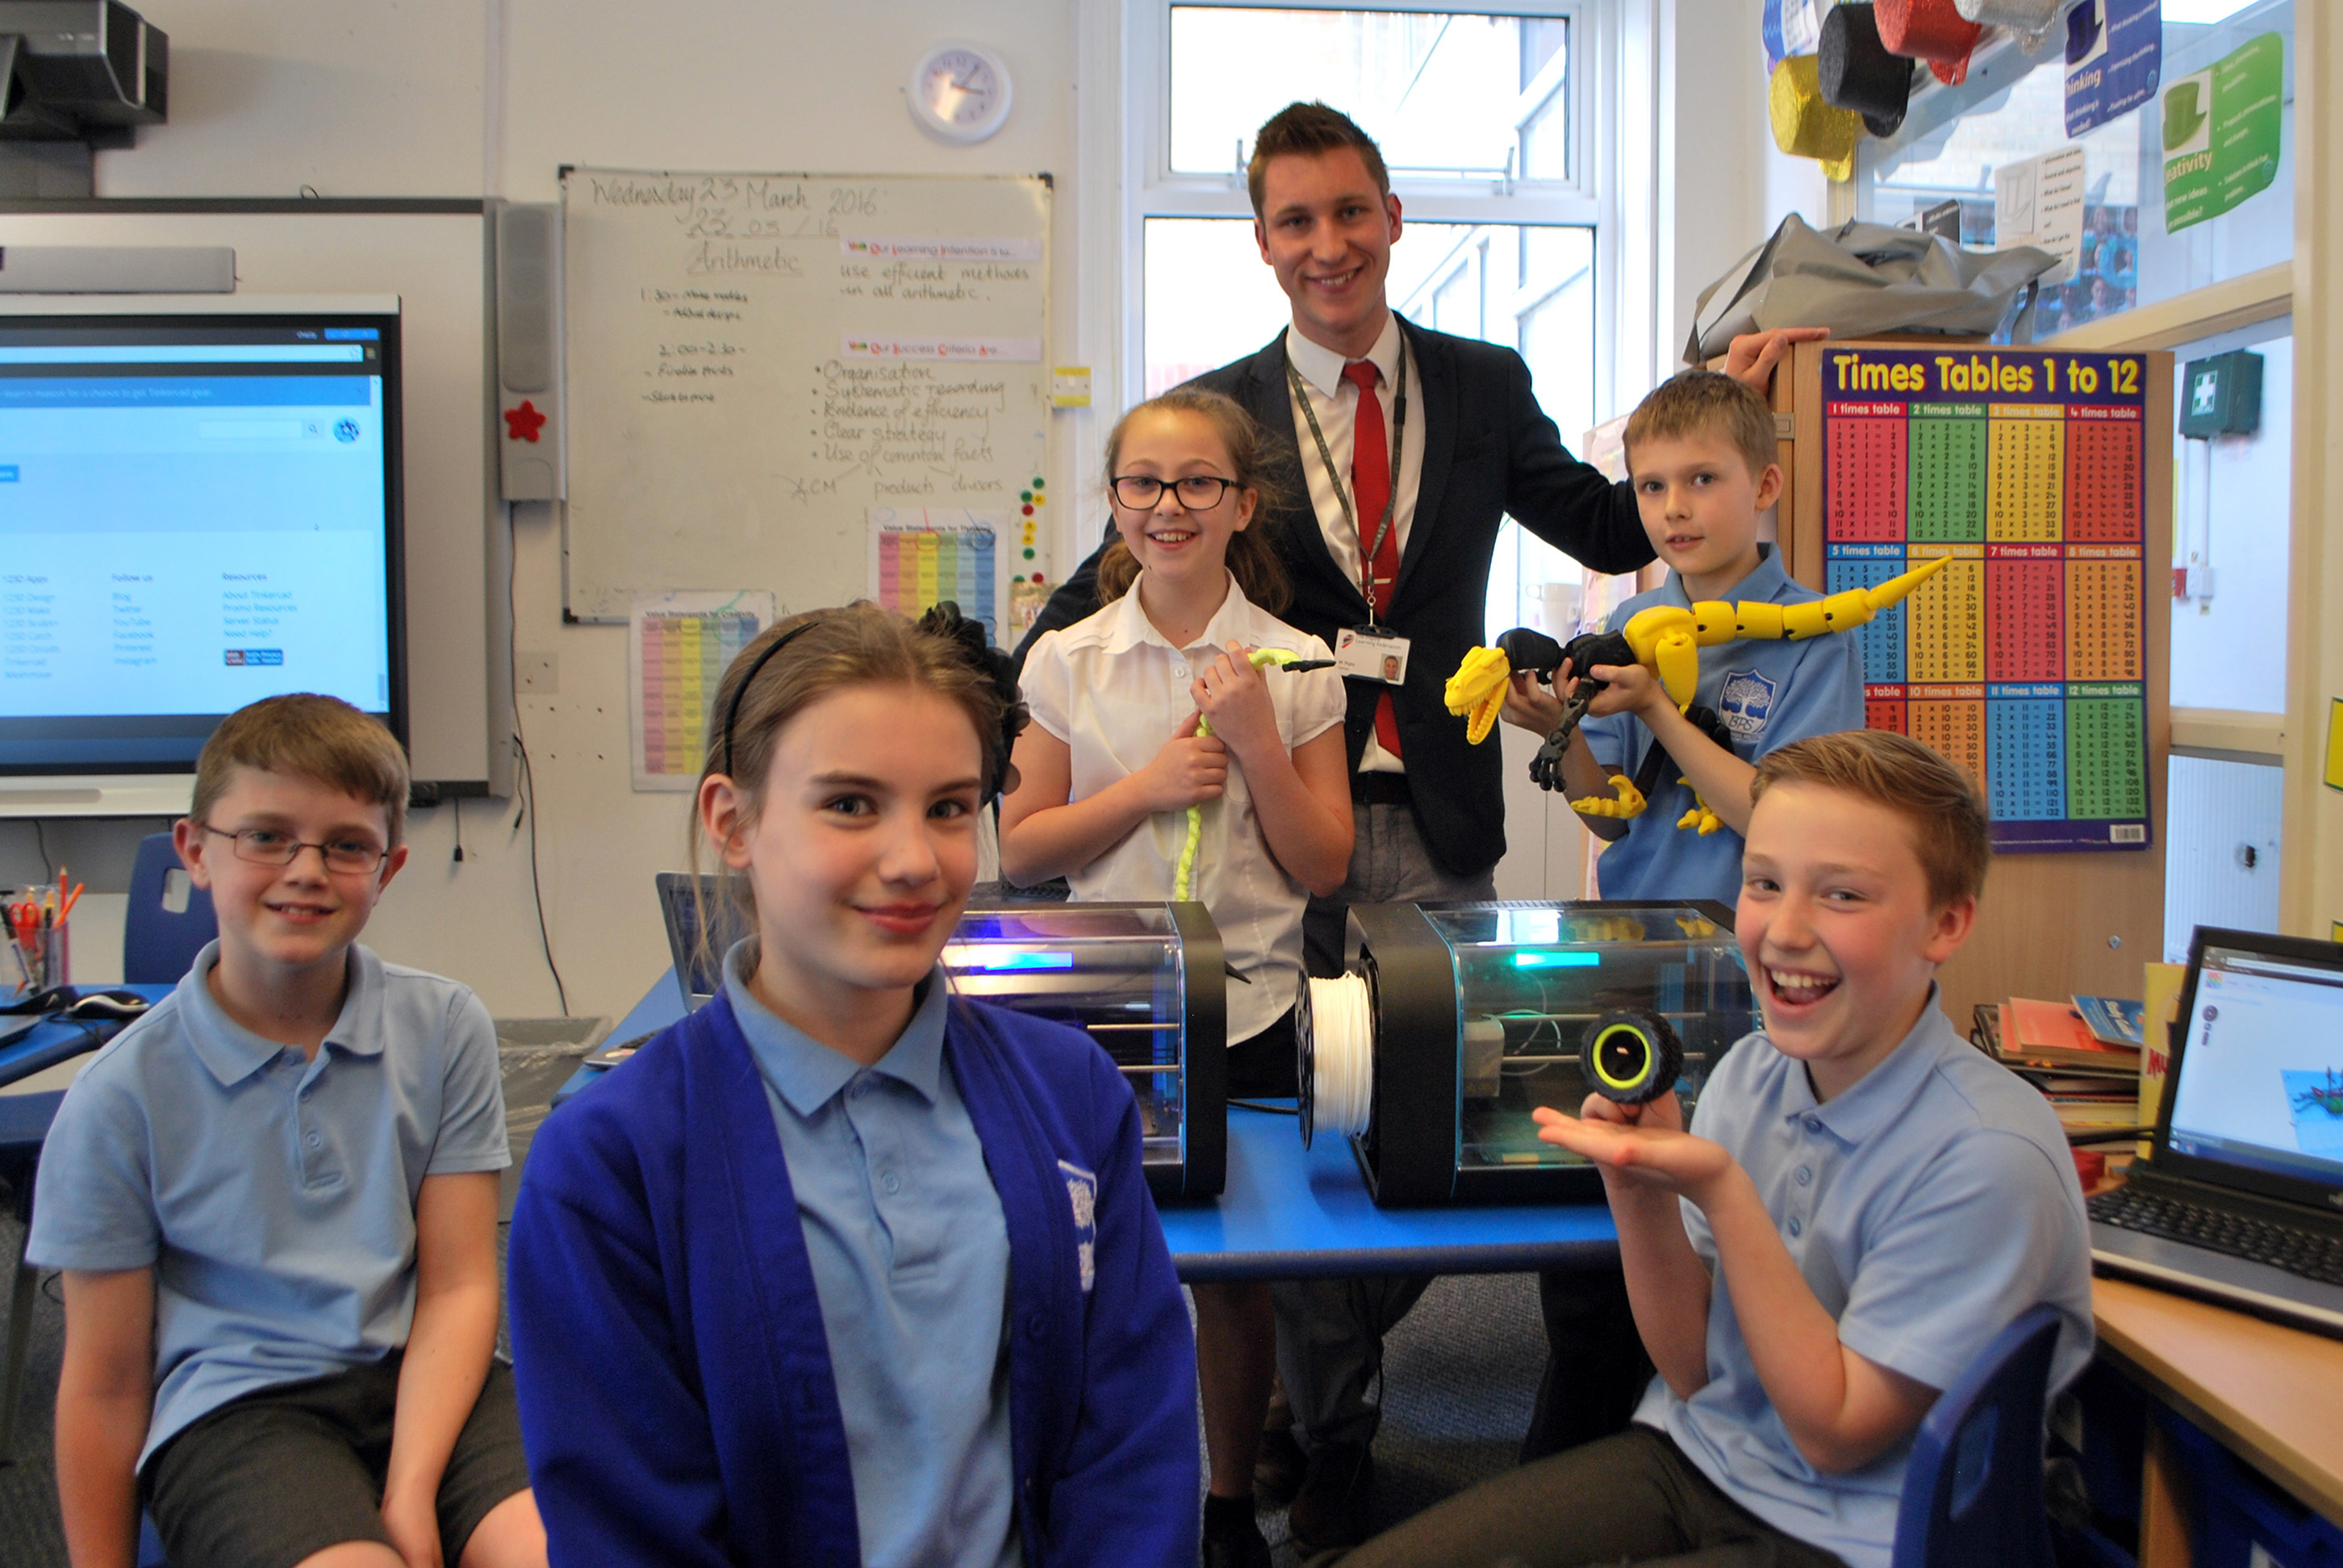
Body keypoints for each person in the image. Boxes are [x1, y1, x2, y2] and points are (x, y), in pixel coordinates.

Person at [1019, 100, 1825, 1552]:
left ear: (1391, 218)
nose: (1326, 244)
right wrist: (970, 707)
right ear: (1262, 242)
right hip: (1297, 813)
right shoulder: (1224, 410)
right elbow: (1114, 567)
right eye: (1294, 220)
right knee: (1301, 1135)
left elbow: (1606, 522)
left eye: (1349, 211)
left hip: (1442, 802)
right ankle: (1334, 1429)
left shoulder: (1479, 379)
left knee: (1441, 1122)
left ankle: (1314, 1367)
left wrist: (1715, 400)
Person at [506, 604, 1199, 1568]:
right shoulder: (611, 1164)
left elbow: (1132, 1446)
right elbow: (631, 1526)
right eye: (850, 805)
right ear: (732, 821)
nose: (913, 861)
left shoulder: (1070, 1093)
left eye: (948, 808)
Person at [1338, 728, 2096, 1568]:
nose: (1785, 930)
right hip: (1704, 1460)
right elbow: (1698, 1371)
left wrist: (1725, 1194)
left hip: (1861, 1533)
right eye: (1765, 883)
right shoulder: (1749, 1075)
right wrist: (1638, 1190)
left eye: (1843, 896)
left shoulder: (1988, 1156)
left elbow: (1835, 1436)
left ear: (1946, 924)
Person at [31, 694, 545, 1568]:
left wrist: (411, 1489)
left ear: (388, 868)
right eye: (266, 836)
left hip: (431, 1379)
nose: (307, 870)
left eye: (346, 845)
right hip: (240, 1412)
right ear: (196, 850)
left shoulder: (444, 1026)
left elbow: (459, 1287)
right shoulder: (119, 1097)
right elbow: (106, 1385)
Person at [1000, 389, 1354, 1568]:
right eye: (1143, 483)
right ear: (1114, 501)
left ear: (1243, 504)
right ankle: (1085, 1490)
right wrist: (1146, 790)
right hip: (1099, 1017)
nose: (1169, 505)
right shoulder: (1067, 660)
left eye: (1199, 482)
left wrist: (1257, 741)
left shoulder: (1298, 666)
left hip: (1248, 1013)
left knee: (1236, 1274)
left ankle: (1225, 1502)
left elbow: (1324, 863)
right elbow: (1021, 847)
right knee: (1083, 1257)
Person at [1498, 367, 1867, 1469]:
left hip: (1757, 981)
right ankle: (1585, 1439)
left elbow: (1782, 821)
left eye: (1702, 480)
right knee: (1602, 1220)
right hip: (1639, 954)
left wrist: (1661, 705)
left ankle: (1713, 1434)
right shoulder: (1630, 621)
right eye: (1652, 487)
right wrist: (1557, 734)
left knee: (1729, 1216)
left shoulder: (1811, 637)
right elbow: (1609, 814)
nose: (1674, 509)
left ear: (1764, 485)